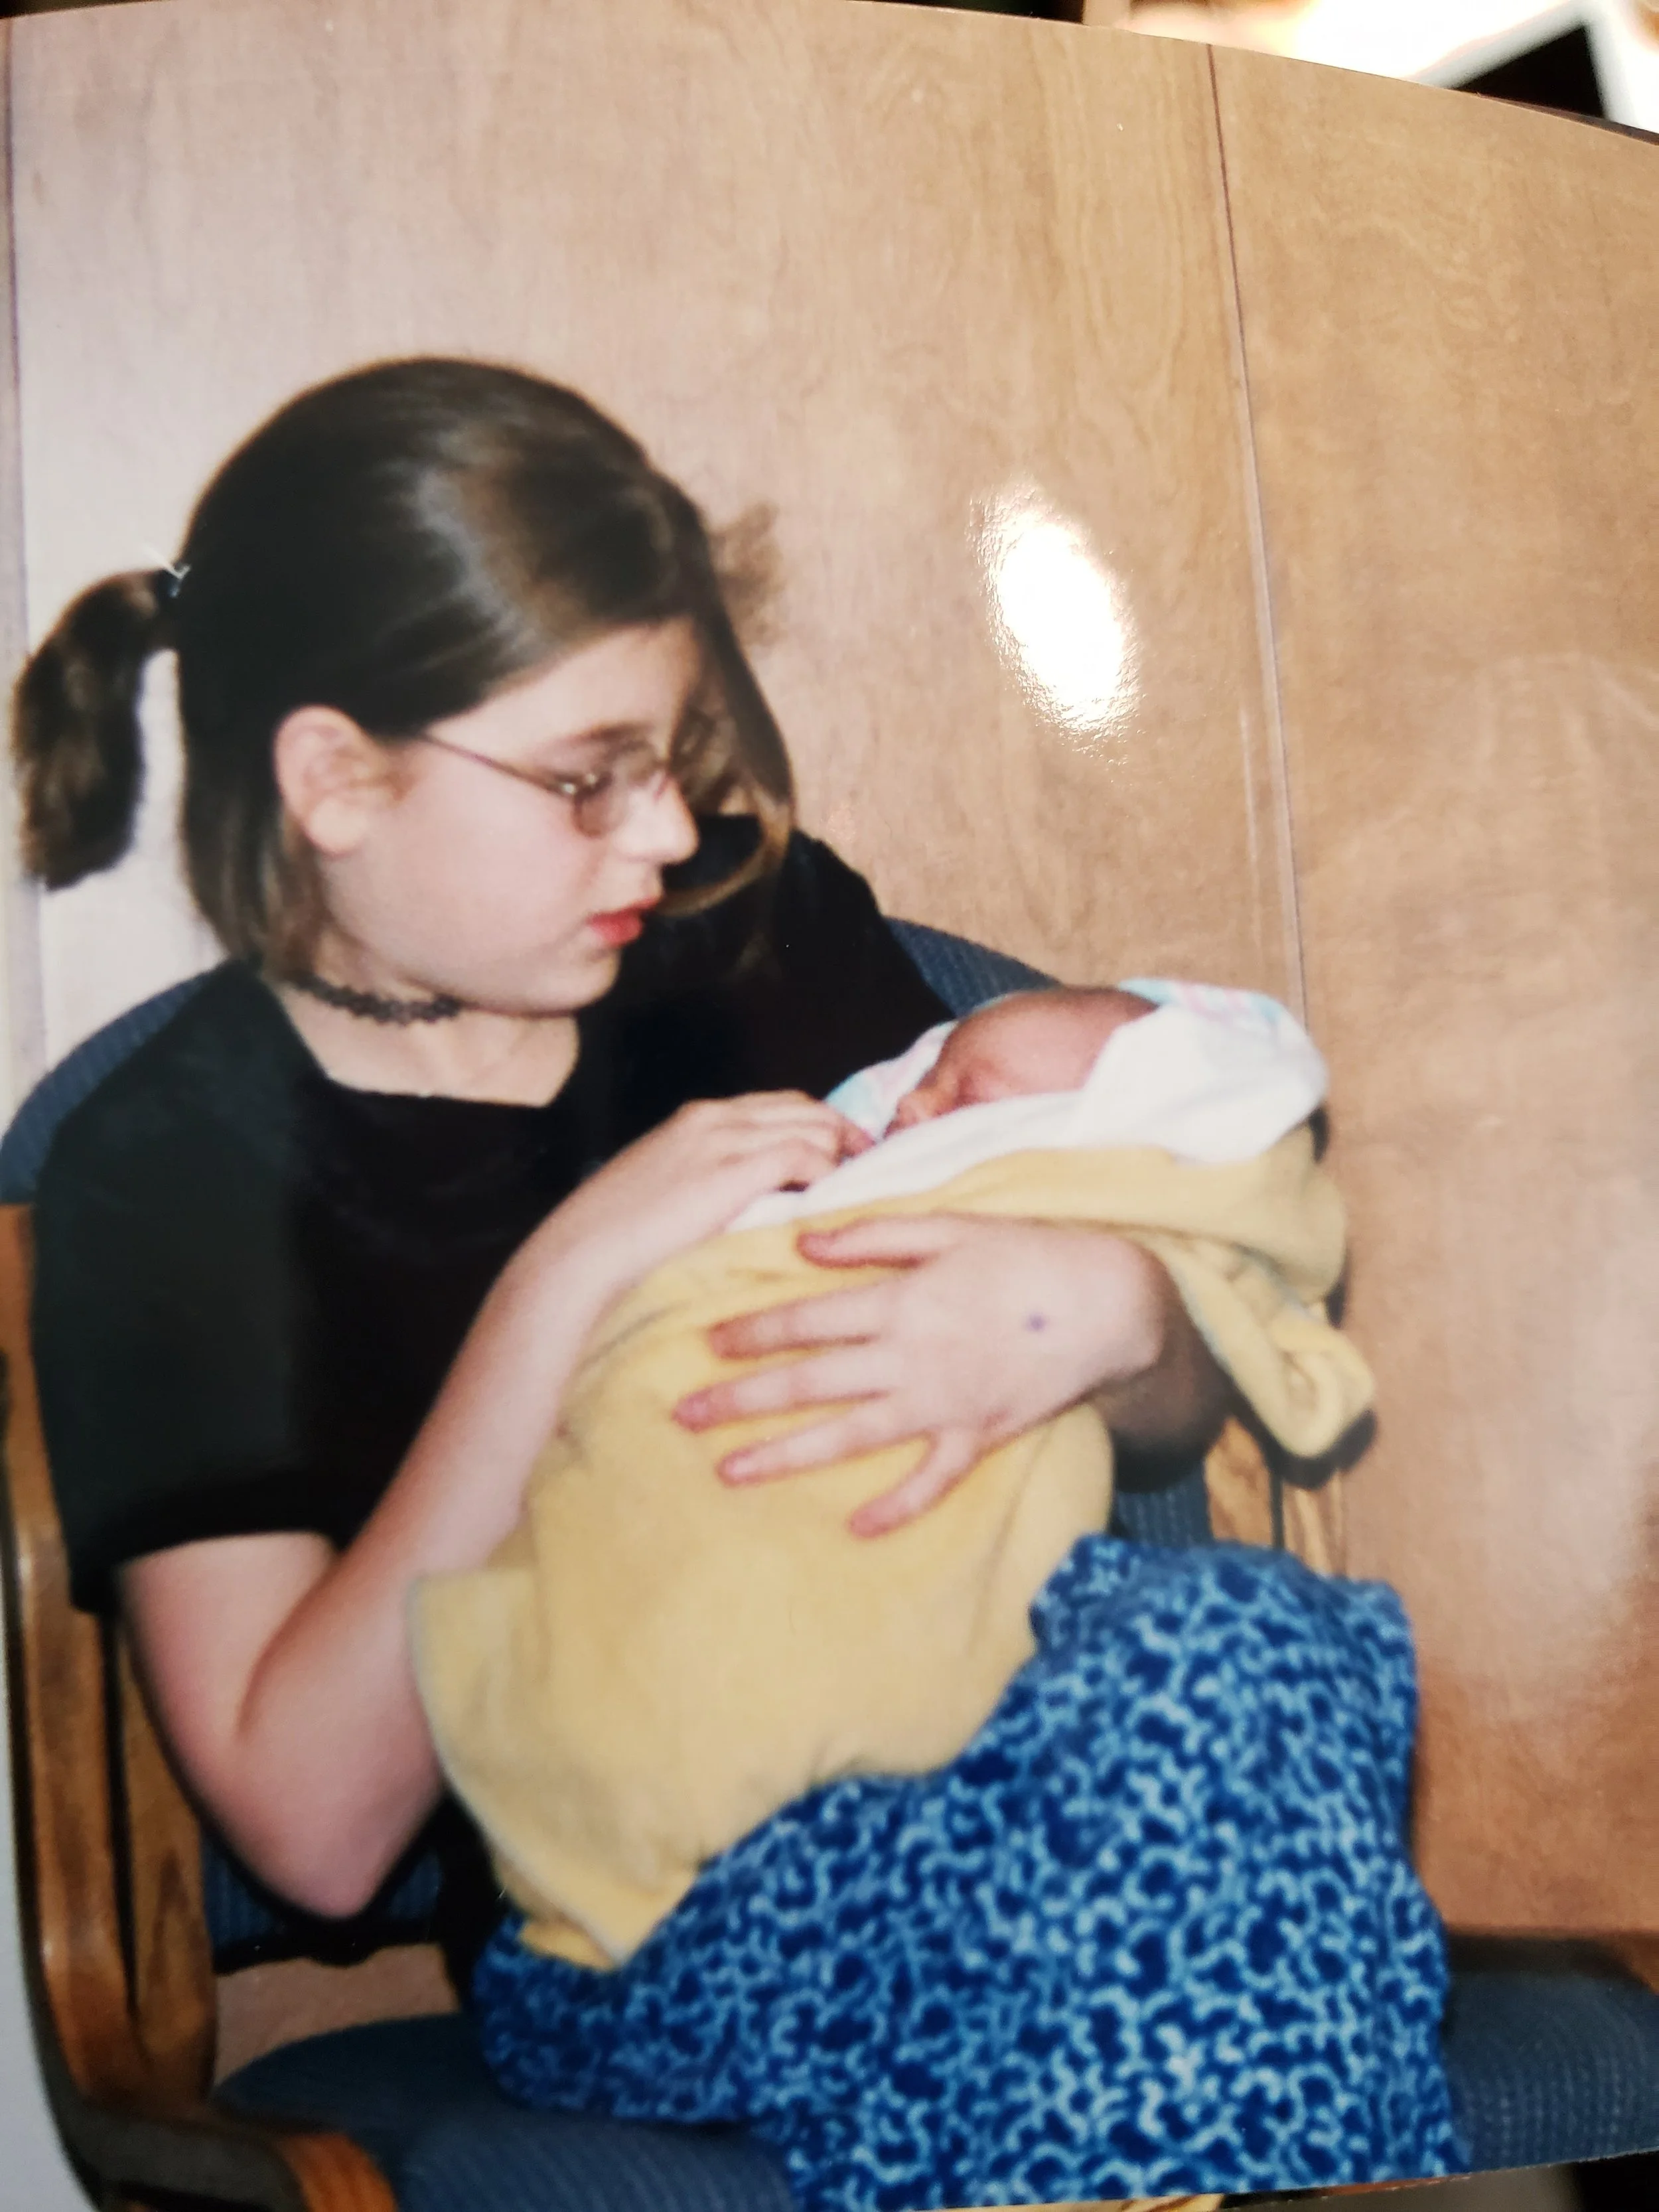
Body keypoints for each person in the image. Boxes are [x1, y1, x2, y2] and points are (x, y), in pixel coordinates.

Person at [13, 355, 1232, 2006]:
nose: (664, 832)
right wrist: (564, 1280)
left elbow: (1165, 1416)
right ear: (336, 781)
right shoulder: (159, 1181)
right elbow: (314, 1826)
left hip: (1042, 1777)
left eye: (671, 756)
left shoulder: (755, 944)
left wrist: (1120, 1312)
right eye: (590, 775)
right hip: (662, 1920)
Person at [413, 979, 1375, 1969]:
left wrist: (1119, 1299)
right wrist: (569, 1272)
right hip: (661, 1893)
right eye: (925, 1081)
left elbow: (1195, 1377)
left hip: (980, 1808)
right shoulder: (265, 1127)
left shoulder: (791, 939)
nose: (910, 1105)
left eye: (960, 1095)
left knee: (1271, 1641)